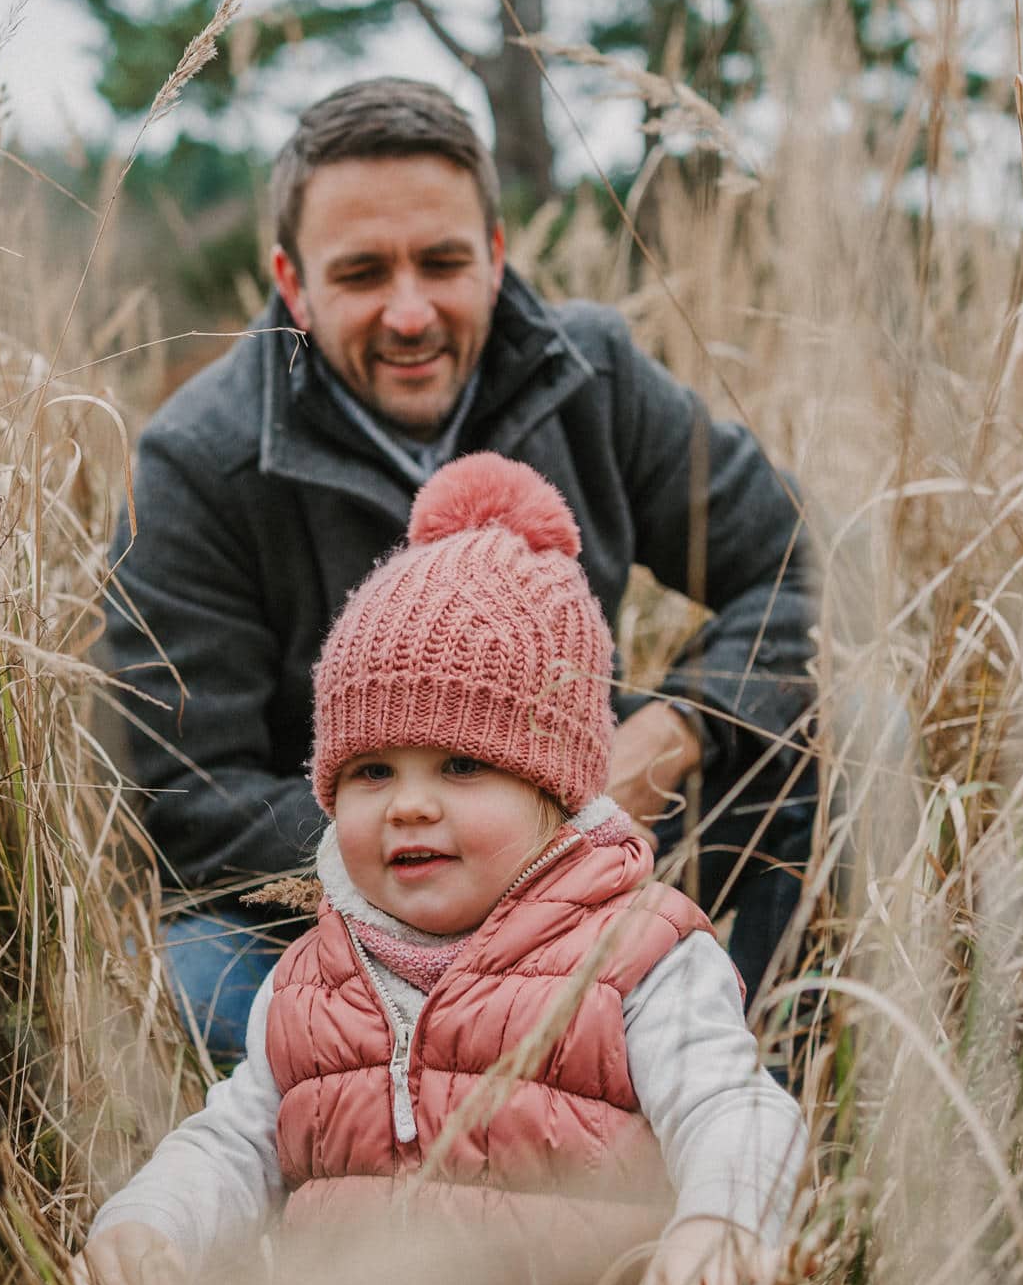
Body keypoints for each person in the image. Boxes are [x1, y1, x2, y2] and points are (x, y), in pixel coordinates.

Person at [87, 455, 807, 1285]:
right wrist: (151, 1219)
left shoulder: (638, 954)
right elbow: (234, 1140)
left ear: (556, 788)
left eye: (461, 766)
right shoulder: (314, 976)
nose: (409, 806)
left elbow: (735, 1105)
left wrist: (720, 1218)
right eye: (371, 772)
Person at [106, 78, 816, 1060]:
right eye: (361, 273)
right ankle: (383, 1163)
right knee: (193, 983)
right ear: (291, 280)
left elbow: (799, 563)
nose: (409, 312)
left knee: (847, 737)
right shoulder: (196, 460)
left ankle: (741, 1111)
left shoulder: (594, 375)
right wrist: (450, 873)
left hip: (598, 838)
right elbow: (191, 797)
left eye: (441, 262)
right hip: (346, 907)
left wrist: (673, 728)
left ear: (493, 253)